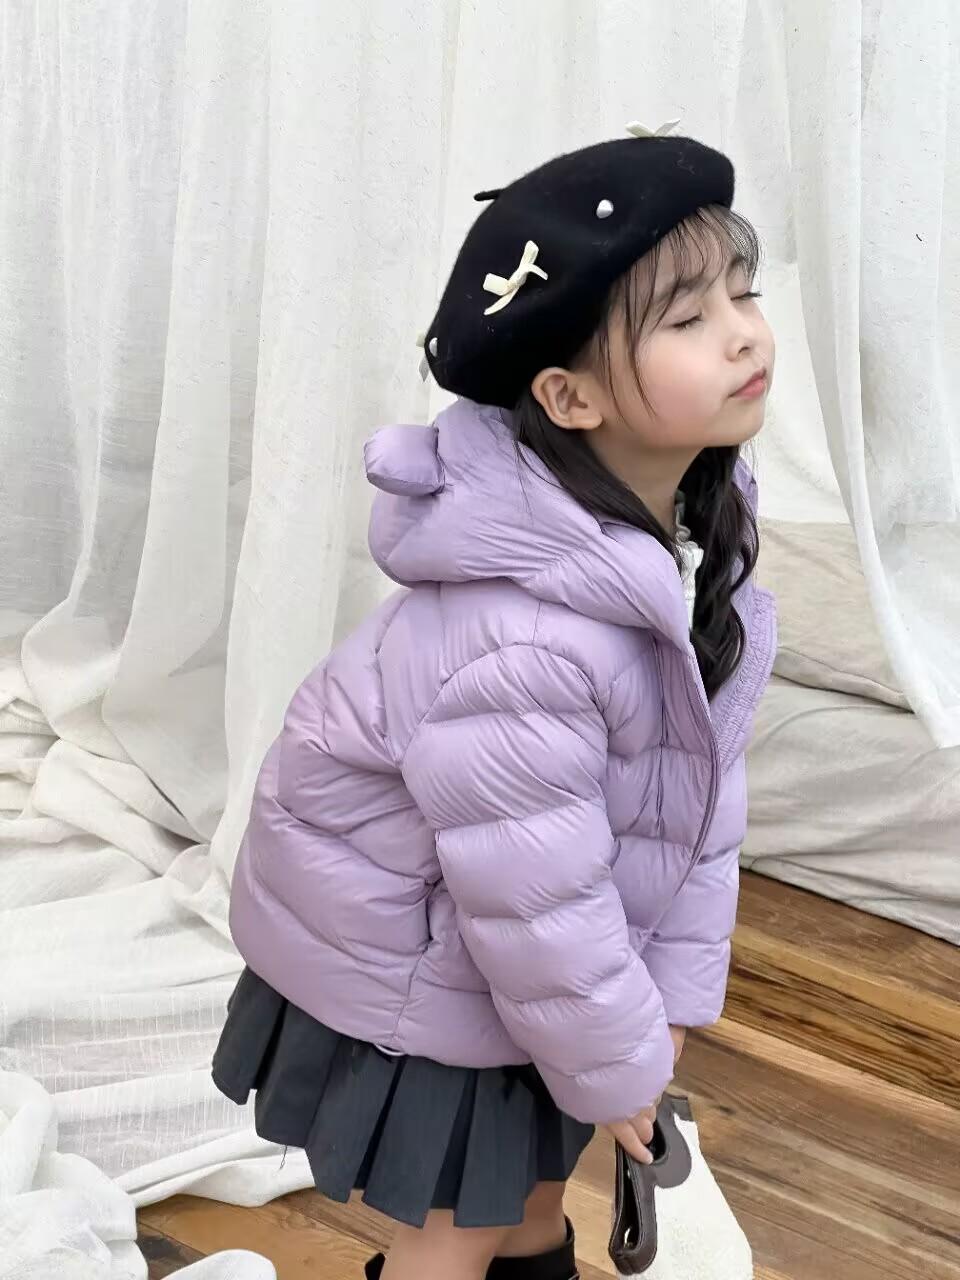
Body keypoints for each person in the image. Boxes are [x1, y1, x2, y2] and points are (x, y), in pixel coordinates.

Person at [212, 121, 777, 1280]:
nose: (741, 332)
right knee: (463, 1226)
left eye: (742, 290)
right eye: (686, 318)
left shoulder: (687, 552)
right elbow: (531, 894)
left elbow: (695, 806)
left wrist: (665, 1002)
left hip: (524, 957)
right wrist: (621, 1060)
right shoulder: (524, 643)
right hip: (431, 956)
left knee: (523, 1205)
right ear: (568, 396)